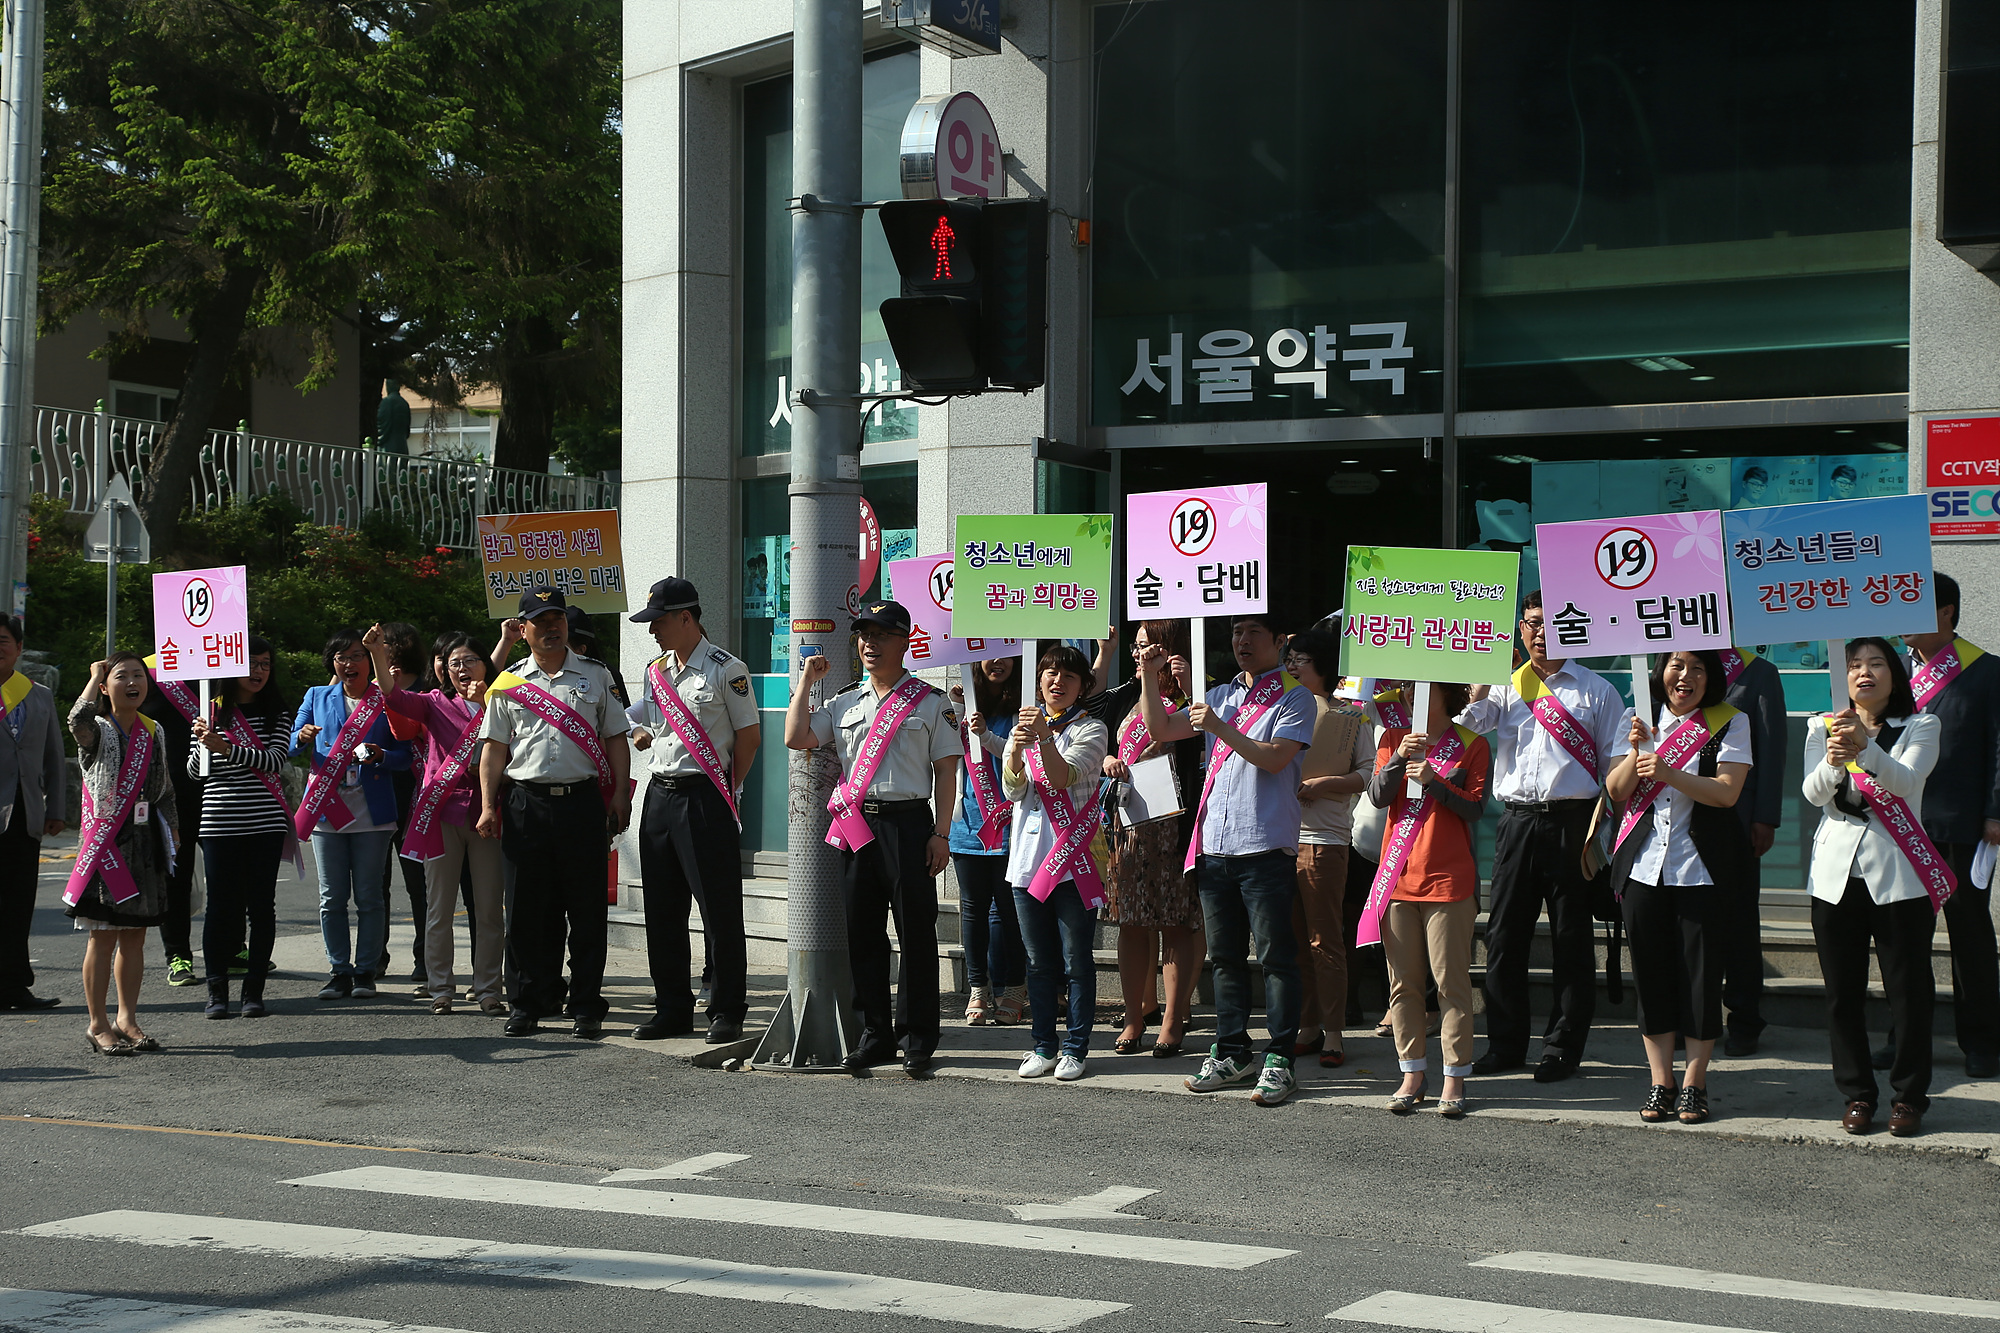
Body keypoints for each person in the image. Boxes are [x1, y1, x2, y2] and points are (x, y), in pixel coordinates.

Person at [1136, 612, 1316, 1108]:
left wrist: (1218, 726)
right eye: (1236, 632)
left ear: (1280, 640)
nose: (1242, 640)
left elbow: (1275, 758)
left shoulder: (1294, 696)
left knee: (1276, 957)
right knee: (1226, 959)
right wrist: (1151, 677)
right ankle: (1233, 1050)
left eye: (1254, 631)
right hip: (1215, 845)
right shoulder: (1219, 694)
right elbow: (1160, 727)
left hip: (1264, 846)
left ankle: (1280, 1057)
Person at [1458, 590, 1631, 1082]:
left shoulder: (1597, 691)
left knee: (1571, 940)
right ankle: (1506, 1044)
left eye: (1548, 623)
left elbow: (1614, 769)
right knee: (1504, 937)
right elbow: (1467, 731)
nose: (1538, 632)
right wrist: (1476, 692)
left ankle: (1562, 1047)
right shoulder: (1507, 686)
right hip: (1515, 822)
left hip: (1573, 823)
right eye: (1529, 623)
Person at [785, 599, 961, 1076]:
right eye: (863, 634)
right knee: (863, 935)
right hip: (857, 825)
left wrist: (941, 833)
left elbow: (946, 771)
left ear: (905, 641)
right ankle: (876, 1034)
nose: (869, 643)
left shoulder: (930, 701)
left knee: (916, 935)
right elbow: (796, 736)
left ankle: (919, 1037)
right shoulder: (843, 701)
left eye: (881, 635)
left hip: (908, 825)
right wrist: (805, 681)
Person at [1604, 650, 1753, 1126]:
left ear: (1710, 677)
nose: (1685, 676)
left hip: (1701, 868)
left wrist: (1669, 772)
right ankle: (1660, 1079)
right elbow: (1615, 789)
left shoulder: (1731, 721)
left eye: (1697, 668)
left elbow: (1727, 793)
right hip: (1644, 867)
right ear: (1660, 672)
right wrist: (1636, 752)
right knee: (1650, 975)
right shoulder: (1638, 720)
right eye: (1676, 665)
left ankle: (1695, 1082)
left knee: (1701, 977)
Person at [1804, 637, 1945, 1137]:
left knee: (1908, 992)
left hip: (1899, 876)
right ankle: (1858, 1095)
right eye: (1855, 665)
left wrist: (1867, 748)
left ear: (1895, 674)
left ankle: (1909, 1097)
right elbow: (1813, 793)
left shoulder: (1921, 725)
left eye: (1877, 664)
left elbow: (1906, 782)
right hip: (1835, 879)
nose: (1865, 673)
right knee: (1843, 993)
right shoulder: (1821, 727)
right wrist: (1835, 758)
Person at [478, 585, 632, 1038]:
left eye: (557, 620)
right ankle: (527, 1002)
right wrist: (489, 805)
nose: (551, 629)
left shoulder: (597, 675)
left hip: (582, 805)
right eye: (541, 622)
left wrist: (620, 795)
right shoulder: (509, 683)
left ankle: (586, 1005)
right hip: (525, 805)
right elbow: (493, 749)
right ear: (522, 630)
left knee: (586, 911)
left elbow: (616, 740)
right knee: (526, 912)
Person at [624, 577, 760, 1043]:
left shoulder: (727, 669)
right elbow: (644, 720)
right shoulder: (656, 669)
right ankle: (672, 1008)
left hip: (705, 796)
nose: (653, 631)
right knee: (662, 910)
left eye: (659, 622)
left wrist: (729, 788)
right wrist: (635, 733)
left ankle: (726, 1008)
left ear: (686, 618)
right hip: (660, 796)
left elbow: (748, 738)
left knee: (718, 910)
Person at [370, 624, 506, 1015]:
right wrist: (379, 654)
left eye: (470, 661)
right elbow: (392, 695)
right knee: (439, 907)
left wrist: (484, 706)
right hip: (441, 813)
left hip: (487, 815)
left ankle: (488, 988)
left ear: (485, 665)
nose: (462, 668)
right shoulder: (431, 702)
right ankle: (441, 987)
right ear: (443, 670)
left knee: (488, 907)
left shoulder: (504, 701)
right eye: (454, 663)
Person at [1366, 680, 1487, 1117]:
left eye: (1423, 686)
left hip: (1449, 882)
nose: (1411, 693)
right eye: (1407, 687)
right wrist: (1399, 759)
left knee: (1451, 984)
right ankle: (1412, 1073)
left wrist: (1435, 781)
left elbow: (1474, 807)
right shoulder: (1393, 739)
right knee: (1403, 985)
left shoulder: (1472, 744)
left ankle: (1454, 1078)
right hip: (1398, 879)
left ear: (1447, 692)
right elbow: (1378, 796)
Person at [1896, 573, 2000, 1080]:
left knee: (1970, 936)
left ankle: (1981, 1042)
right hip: (1898, 822)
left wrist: (1996, 811)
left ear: (1947, 613)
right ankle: (1903, 1038)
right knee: (1903, 937)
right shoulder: (1889, 672)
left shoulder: (1986, 671)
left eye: (1912, 607)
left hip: (1961, 824)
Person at [1091, 621, 1205, 1057]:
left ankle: (1174, 1020)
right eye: (1136, 648)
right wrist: (1107, 759)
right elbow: (1094, 733)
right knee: (1132, 924)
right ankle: (1135, 1016)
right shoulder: (1123, 696)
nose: (1140, 655)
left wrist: (1184, 680)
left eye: (1148, 646)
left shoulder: (1193, 695)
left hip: (1176, 826)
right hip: (1128, 828)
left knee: (1176, 922)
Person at [1003, 645, 1110, 1082]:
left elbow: (1064, 776)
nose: (1056, 681)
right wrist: (1014, 752)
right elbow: (1013, 790)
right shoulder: (1022, 727)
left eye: (1068, 675)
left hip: (1075, 863)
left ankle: (1076, 1048)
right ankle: (1043, 1045)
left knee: (1076, 960)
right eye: (1049, 672)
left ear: (1083, 685)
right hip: (1028, 862)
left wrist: (1042, 738)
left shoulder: (1093, 728)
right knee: (1039, 962)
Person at [64, 654, 179, 1055]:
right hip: (107, 847)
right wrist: (93, 675)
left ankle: (127, 1019)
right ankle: (97, 1025)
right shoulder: (96, 729)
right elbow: (75, 720)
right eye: (121, 676)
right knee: (104, 936)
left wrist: (174, 829)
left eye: (138, 676)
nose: (132, 682)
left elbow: (164, 788)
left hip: (145, 845)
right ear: (105, 686)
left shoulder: (154, 729)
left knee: (135, 938)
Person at [292, 627, 410, 1002]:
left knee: (370, 896)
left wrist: (381, 755)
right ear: (333, 663)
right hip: (328, 809)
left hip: (372, 813)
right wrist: (303, 736)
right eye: (341, 657)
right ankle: (338, 970)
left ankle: (366, 970)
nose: (349, 663)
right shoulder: (316, 695)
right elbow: (290, 740)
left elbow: (406, 756)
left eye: (357, 656)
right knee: (332, 897)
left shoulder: (386, 700)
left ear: (369, 662)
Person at [187, 637, 293, 1020]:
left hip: (263, 822)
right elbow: (193, 771)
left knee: (261, 907)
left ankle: (254, 991)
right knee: (220, 908)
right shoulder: (209, 711)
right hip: (218, 822)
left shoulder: (277, 712)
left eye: (266, 664)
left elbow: (276, 760)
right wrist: (204, 744)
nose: (259, 671)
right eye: (252, 663)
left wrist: (227, 748)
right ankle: (216, 991)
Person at [1284, 628, 1370, 1068]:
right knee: (1293, 940)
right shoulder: (1276, 710)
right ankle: (1307, 1024)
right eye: (1290, 658)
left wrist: (1325, 783)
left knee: (1325, 939)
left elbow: (1368, 774)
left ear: (1324, 666)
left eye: (1301, 658)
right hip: (1278, 840)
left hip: (1324, 841)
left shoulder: (1351, 716)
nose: (1293, 665)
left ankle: (1333, 1031)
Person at [951, 655, 1026, 1027]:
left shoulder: (1023, 709)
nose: (996, 662)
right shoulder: (963, 707)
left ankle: (1014, 987)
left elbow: (1019, 758)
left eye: (1005, 655)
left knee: (1010, 912)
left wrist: (984, 734)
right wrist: (956, 706)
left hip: (1010, 828)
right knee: (973, 911)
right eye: (987, 655)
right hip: (967, 828)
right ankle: (978, 987)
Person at [1719, 645, 1786, 1057]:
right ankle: (1692, 1018)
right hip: (1679, 816)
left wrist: (1766, 816)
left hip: (1738, 818)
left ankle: (1744, 1019)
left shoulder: (1756, 671)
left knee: (1739, 922)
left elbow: (1772, 746)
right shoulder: (1672, 662)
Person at [0, 615, 66, 1010]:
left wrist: (55, 808)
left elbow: (54, 756)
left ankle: (14, 985)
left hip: (25, 814)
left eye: (4, 639)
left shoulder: (38, 694)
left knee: (19, 902)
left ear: (19, 647)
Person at [139, 655, 204, 989]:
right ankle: (178, 956)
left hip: (222, 789)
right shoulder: (148, 672)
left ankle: (234, 946)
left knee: (233, 873)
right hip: (168, 793)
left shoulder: (224, 666)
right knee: (175, 876)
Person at [373, 621, 430, 987]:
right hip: (376, 799)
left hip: (417, 800)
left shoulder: (427, 694)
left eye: (384, 645)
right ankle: (375, 958)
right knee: (374, 884)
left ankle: (425, 960)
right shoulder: (369, 691)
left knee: (419, 886)